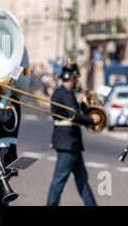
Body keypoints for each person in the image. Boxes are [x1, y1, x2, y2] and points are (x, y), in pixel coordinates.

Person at [46, 59, 101, 206]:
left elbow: (71, 111)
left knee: (82, 180)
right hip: (68, 143)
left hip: (71, 143)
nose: (77, 81)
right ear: (72, 77)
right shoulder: (66, 94)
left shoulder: (61, 93)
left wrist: (84, 103)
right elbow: (75, 115)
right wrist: (92, 119)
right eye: (77, 78)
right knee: (59, 180)